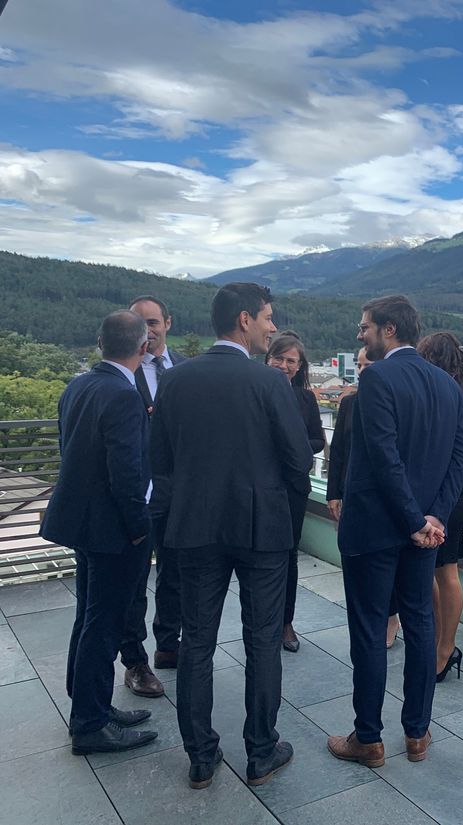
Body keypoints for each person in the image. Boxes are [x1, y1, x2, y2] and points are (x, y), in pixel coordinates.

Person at [150, 283, 314, 790]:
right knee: (262, 641)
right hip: (262, 528)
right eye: (267, 317)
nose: (272, 326)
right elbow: (299, 460)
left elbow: (160, 462)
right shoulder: (270, 383)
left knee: (197, 641)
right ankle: (261, 752)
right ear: (245, 320)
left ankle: (201, 757)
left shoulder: (175, 380)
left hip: (195, 526)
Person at [327, 295, 463, 769]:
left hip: (375, 530)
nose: (360, 335)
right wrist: (434, 519)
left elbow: (383, 458)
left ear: (389, 330)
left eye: (364, 327)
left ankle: (368, 739)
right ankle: (417, 733)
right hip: (424, 534)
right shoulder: (450, 388)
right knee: (421, 624)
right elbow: (458, 463)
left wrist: (414, 521)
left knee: (370, 630)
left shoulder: (377, 379)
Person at [40, 310, 158, 755]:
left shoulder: (78, 386)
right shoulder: (123, 395)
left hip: (84, 525)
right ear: (144, 347)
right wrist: (139, 528)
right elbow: (126, 473)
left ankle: (91, 706)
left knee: (88, 617)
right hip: (115, 532)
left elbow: (69, 449)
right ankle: (90, 723)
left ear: (99, 342)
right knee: (104, 624)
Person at [115, 295, 187, 700]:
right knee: (134, 581)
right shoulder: (123, 373)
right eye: (141, 323)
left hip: (179, 492)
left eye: (154, 322)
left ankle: (168, 644)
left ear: (168, 323)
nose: (149, 330)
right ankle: (135, 662)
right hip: (139, 493)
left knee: (175, 574)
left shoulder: (186, 369)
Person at [325, 348, 401, 648]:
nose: (361, 370)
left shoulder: (392, 402)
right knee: (357, 562)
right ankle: (369, 620)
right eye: (358, 364)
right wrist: (333, 493)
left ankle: (391, 616)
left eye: (367, 364)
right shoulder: (349, 403)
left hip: (384, 498)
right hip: (351, 495)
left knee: (386, 563)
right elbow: (338, 451)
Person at [416, 332, 463, 682]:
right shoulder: (458, 392)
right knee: (438, 570)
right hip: (450, 490)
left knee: (446, 571)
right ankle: (440, 642)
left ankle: (445, 648)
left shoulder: (448, 394)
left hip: (448, 493)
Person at [265, 331, 325, 652]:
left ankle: (286, 622)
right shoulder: (255, 390)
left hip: (293, 488)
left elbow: (318, 441)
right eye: (279, 358)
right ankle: (263, 621)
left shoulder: (305, 399)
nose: (284, 365)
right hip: (260, 487)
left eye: (291, 361)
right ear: (268, 358)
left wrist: (294, 444)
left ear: (300, 366)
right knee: (260, 556)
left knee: (289, 556)